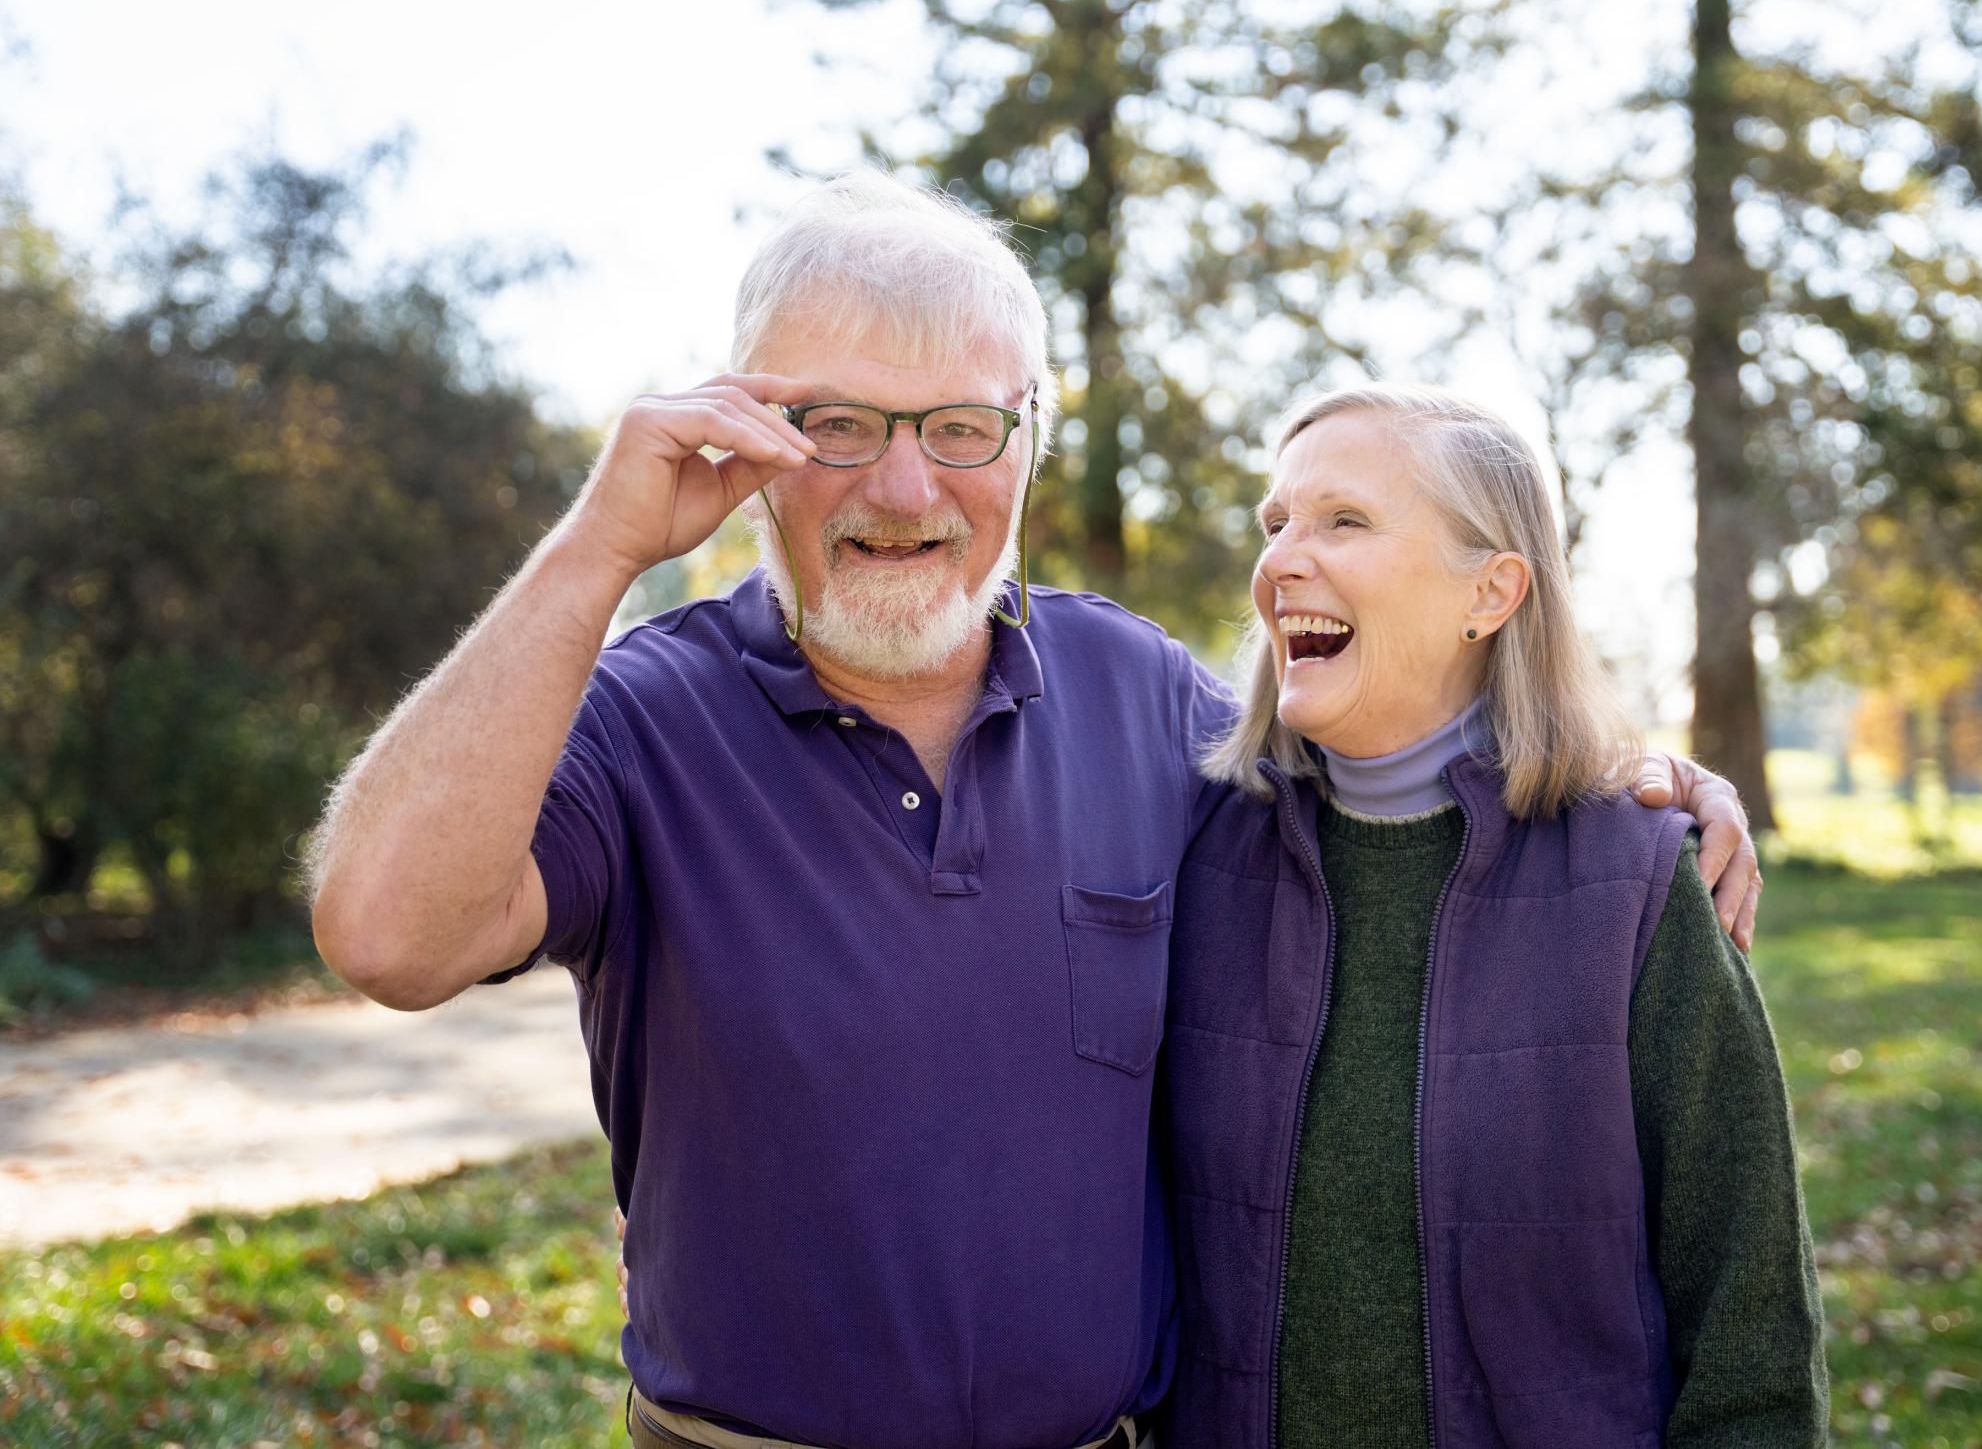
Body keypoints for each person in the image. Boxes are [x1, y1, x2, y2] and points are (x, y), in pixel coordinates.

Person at [306, 172, 1761, 1449]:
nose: (900, 484)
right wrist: (600, 542)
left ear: (1031, 437)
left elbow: (1398, 767)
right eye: (835, 424)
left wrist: (1627, 788)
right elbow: (385, 930)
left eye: (958, 427)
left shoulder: (1142, 695)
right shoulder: (642, 715)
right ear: (740, 436)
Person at [1161, 384, 1826, 1448]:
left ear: (1493, 590)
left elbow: (1749, 1331)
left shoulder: (1640, 885)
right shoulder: (1190, 852)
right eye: (1274, 522)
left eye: (1344, 520)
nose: (1279, 559)